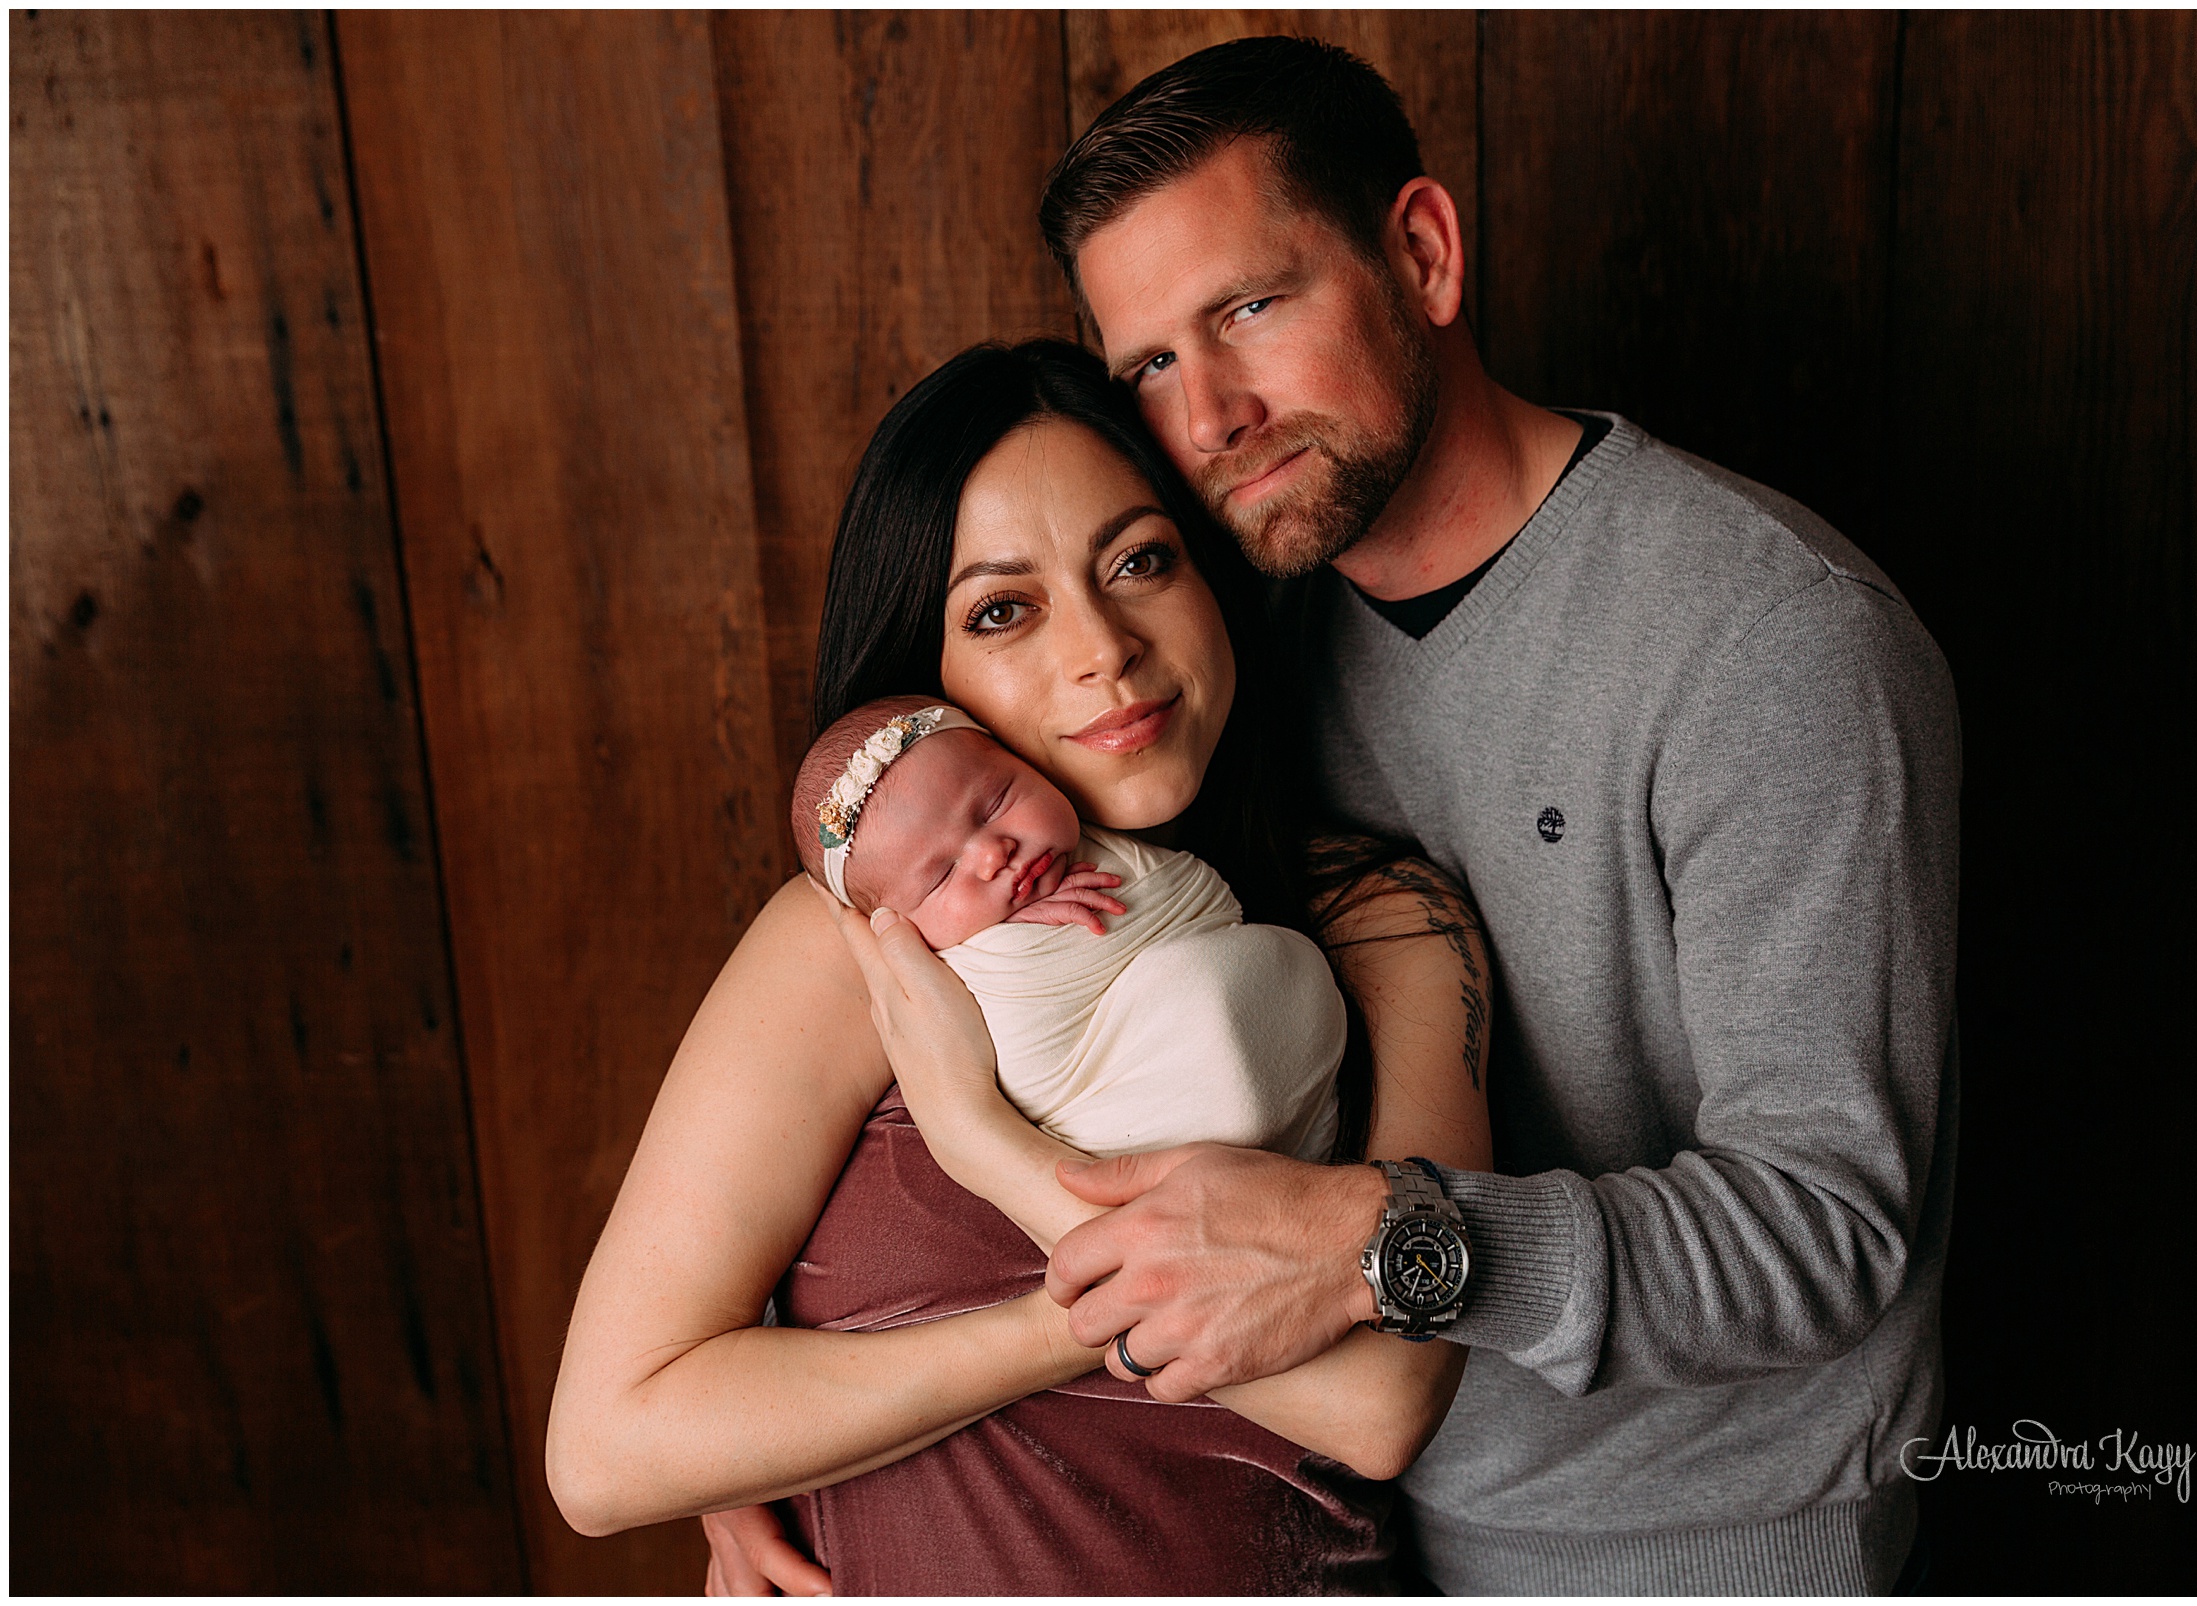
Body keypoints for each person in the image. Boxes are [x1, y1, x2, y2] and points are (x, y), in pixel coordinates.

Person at [774, 35, 1950, 1595]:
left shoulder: (1766, 639)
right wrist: (775, 1440)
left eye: (1250, 310)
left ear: (1424, 254)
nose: (1209, 415)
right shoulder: (1222, 648)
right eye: (1150, 365)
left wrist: (1378, 1242)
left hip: (1703, 1548)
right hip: (1365, 1536)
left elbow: (1827, 1224)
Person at [547, 339, 1494, 1595]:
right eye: (1002, 610)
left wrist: (986, 1145)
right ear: (923, 689)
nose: (1103, 649)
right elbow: (608, 1453)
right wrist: (1063, 1324)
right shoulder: (862, 948)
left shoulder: (1386, 919)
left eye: (1141, 561)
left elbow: (1381, 1402)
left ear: (1213, 573)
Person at [789, 692, 1347, 1159]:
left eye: (995, 803)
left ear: (1027, 763)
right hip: (1124, 1130)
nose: (993, 854)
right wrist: (1017, 938)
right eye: (942, 875)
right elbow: (1019, 1062)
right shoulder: (941, 971)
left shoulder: (1109, 841)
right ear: (891, 924)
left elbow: (1205, 899)